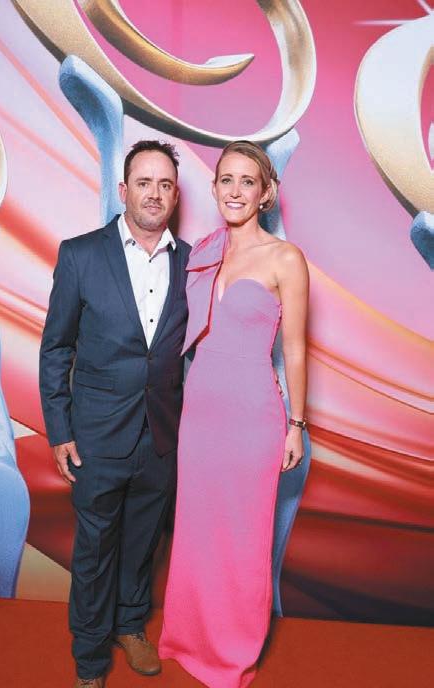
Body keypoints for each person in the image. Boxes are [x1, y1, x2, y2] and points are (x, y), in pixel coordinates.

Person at [39, 140, 191, 688]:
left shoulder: (192, 261)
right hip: (97, 435)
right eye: (144, 183)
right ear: (124, 190)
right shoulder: (80, 254)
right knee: (95, 548)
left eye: (165, 184)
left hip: (161, 435)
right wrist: (59, 429)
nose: (154, 193)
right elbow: (56, 348)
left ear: (175, 196)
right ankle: (89, 657)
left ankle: (130, 625)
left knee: (143, 541)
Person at [159, 140, 309, 687]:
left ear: (266, 192)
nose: (236, 191)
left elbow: (295, 349)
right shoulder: (203, 250)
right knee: (197, 531)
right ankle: (188, 637)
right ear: (215, 187)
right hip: (200, 412)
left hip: (252, 417)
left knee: (243, 538)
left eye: (248, 181)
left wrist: (296, 425)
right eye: (227, 179)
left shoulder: (285, 258)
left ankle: (232, 653)